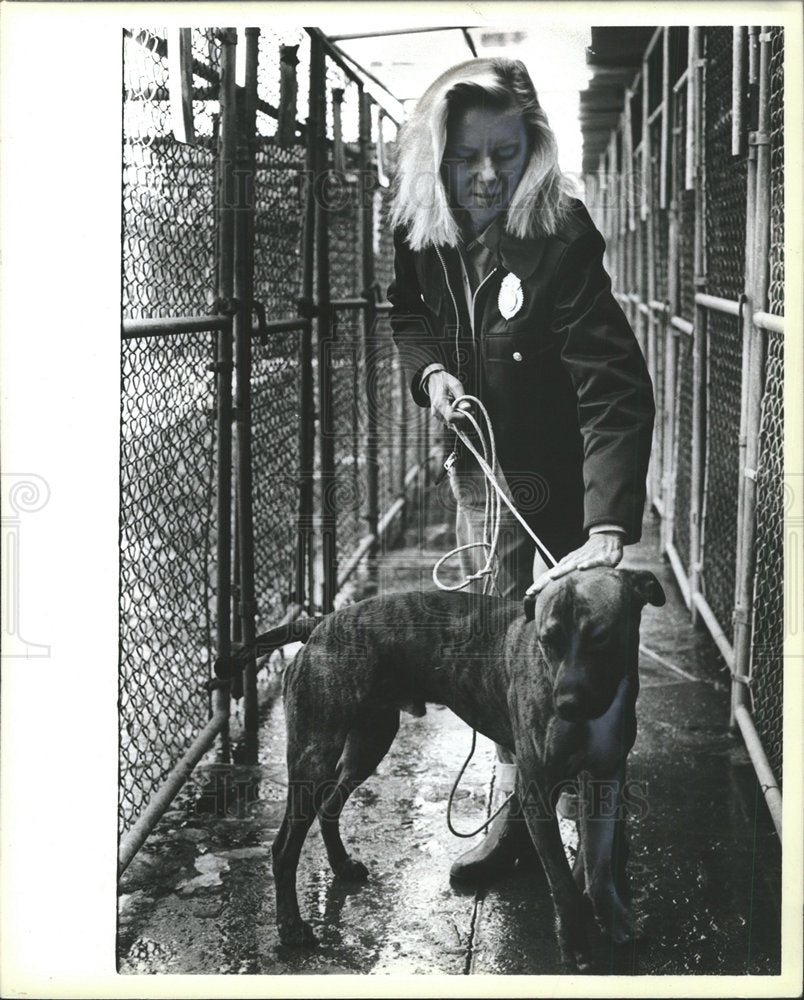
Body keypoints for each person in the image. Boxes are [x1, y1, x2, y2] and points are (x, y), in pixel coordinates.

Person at [387, 57, 655, 884]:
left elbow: (614, 388)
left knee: (591, 630)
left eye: (505, 153)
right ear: (438, 155)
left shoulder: (560, 230)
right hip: (484, 464)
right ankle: (522, 815)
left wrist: (607, 529)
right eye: (467, 156)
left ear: (531, 149)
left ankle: (607, 835)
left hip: (565, 466)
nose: (486, 175)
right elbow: (407, 313)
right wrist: (432, 375)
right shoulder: (416, 222)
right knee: (509, 642)